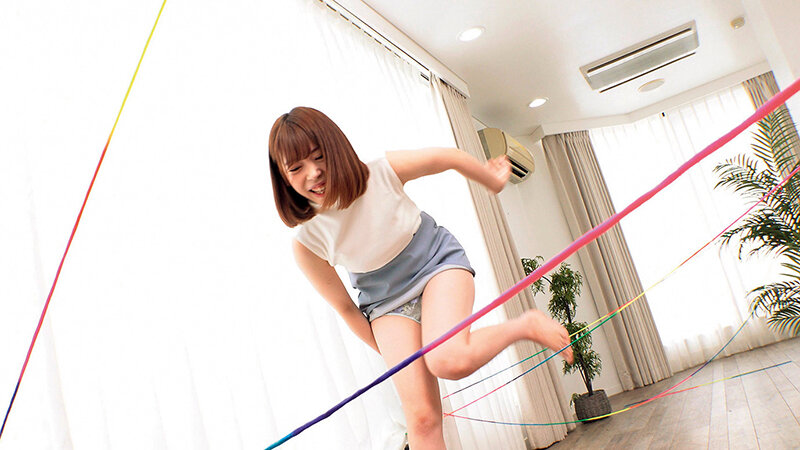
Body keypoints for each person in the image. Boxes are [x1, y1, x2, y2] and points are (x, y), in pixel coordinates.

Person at [268, 106, 572, 450]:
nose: (313, 173)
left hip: (434, 265)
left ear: (336, 148)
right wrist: (398, 356)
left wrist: (491, 180)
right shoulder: (307, 242)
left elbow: (448, 157)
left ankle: (526, 326)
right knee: (422, 418)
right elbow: (347, 309)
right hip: (384, 304)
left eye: (318, 157)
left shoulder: (380, 173)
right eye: (296, 168)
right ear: (284, 177)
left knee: (448, 360)